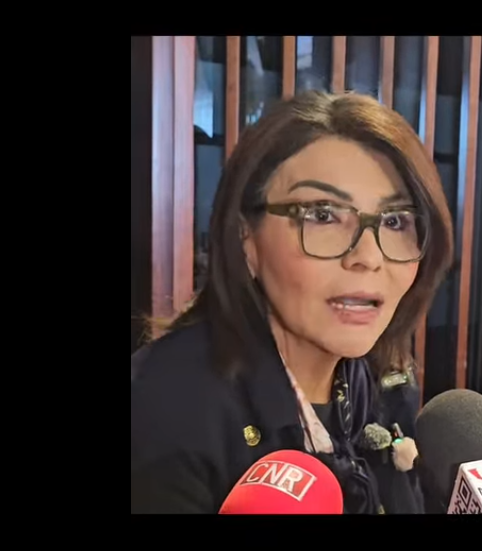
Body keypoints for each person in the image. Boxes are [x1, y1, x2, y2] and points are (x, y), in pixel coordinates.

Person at [131, 90, 454, 514]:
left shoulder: (382, 379)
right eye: (322, 215)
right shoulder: (163, 412)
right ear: (246, 237)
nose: (368, 256)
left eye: (395, 221)